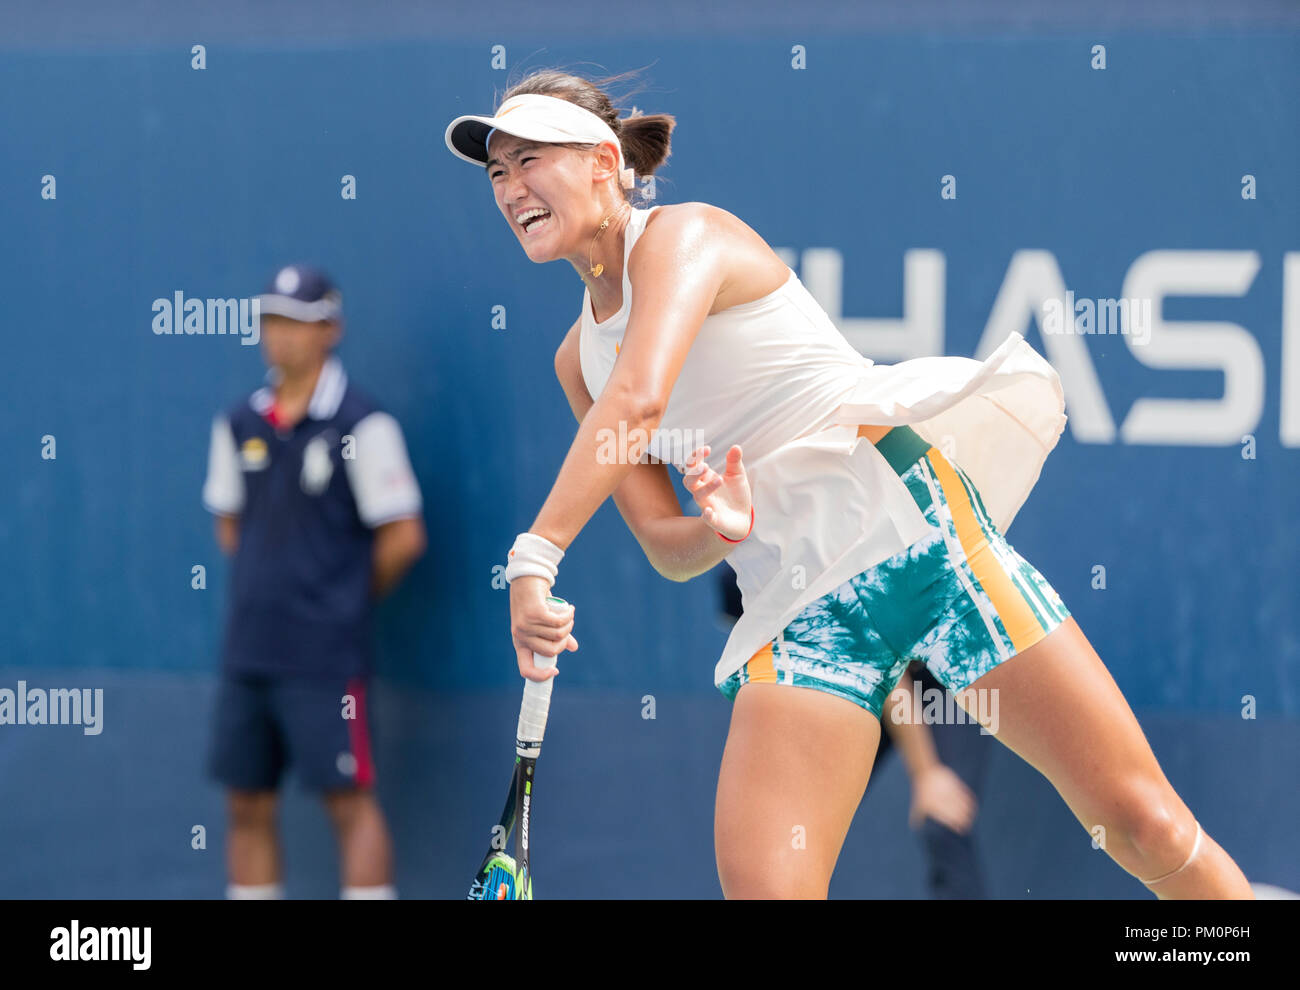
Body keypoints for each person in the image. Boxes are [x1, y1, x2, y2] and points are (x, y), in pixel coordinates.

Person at [443, 69, 1255, 899]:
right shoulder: (575, 362)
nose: (510, 188)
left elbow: (642, 396)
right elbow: (664, 548)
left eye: (530, 159)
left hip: (925, 547)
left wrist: (537, 557)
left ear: (604, 162)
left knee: (1144, 825)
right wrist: (722, 531)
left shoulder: (688, 236)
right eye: (497, 171)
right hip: (799, 610)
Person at [202, 264, 426, 899]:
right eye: (272, 321)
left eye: (298, 323)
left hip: (327, 658)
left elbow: (403, 537)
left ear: (331, 329)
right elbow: (230, 529)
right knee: (245, 803)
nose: (282, 336)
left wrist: (339, 601)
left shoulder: (362, 424)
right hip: (249, 651)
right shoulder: (238, 421)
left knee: (348, 803)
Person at [718, 568, 992, 897]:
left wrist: (927, 773)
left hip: (942, 672)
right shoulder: (737, 575)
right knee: (798, 821)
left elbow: (891, 675)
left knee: (943, 814)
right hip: (861, 670)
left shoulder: (832, 555)